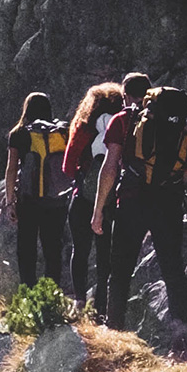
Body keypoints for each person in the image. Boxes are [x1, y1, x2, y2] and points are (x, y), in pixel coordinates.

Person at [94, 86, 187, 333]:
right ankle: (182, 332)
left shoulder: (124, 120)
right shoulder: (180, 126)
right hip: (169, 202)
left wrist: (98, 209)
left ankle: (114, 329)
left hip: (132, 200)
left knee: (121, 268)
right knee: (173, 267)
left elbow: (109, 167)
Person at [62, 81, 125, 307]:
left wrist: (84, 176)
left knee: (80, 250)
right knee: (105, 253)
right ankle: (101, 304)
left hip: (84, 197)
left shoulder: (83, 128)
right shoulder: (123, 125)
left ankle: (80, 300)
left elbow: (68, 166)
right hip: (113, 199)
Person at [5, 92, 70, 288]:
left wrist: (9, 201)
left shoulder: (19, 133)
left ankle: (28, 292)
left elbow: (11, 169)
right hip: (57, 199)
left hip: (29, 200)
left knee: (26, 249)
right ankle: (52, 292)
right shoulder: (62, 131)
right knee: (53, 249)